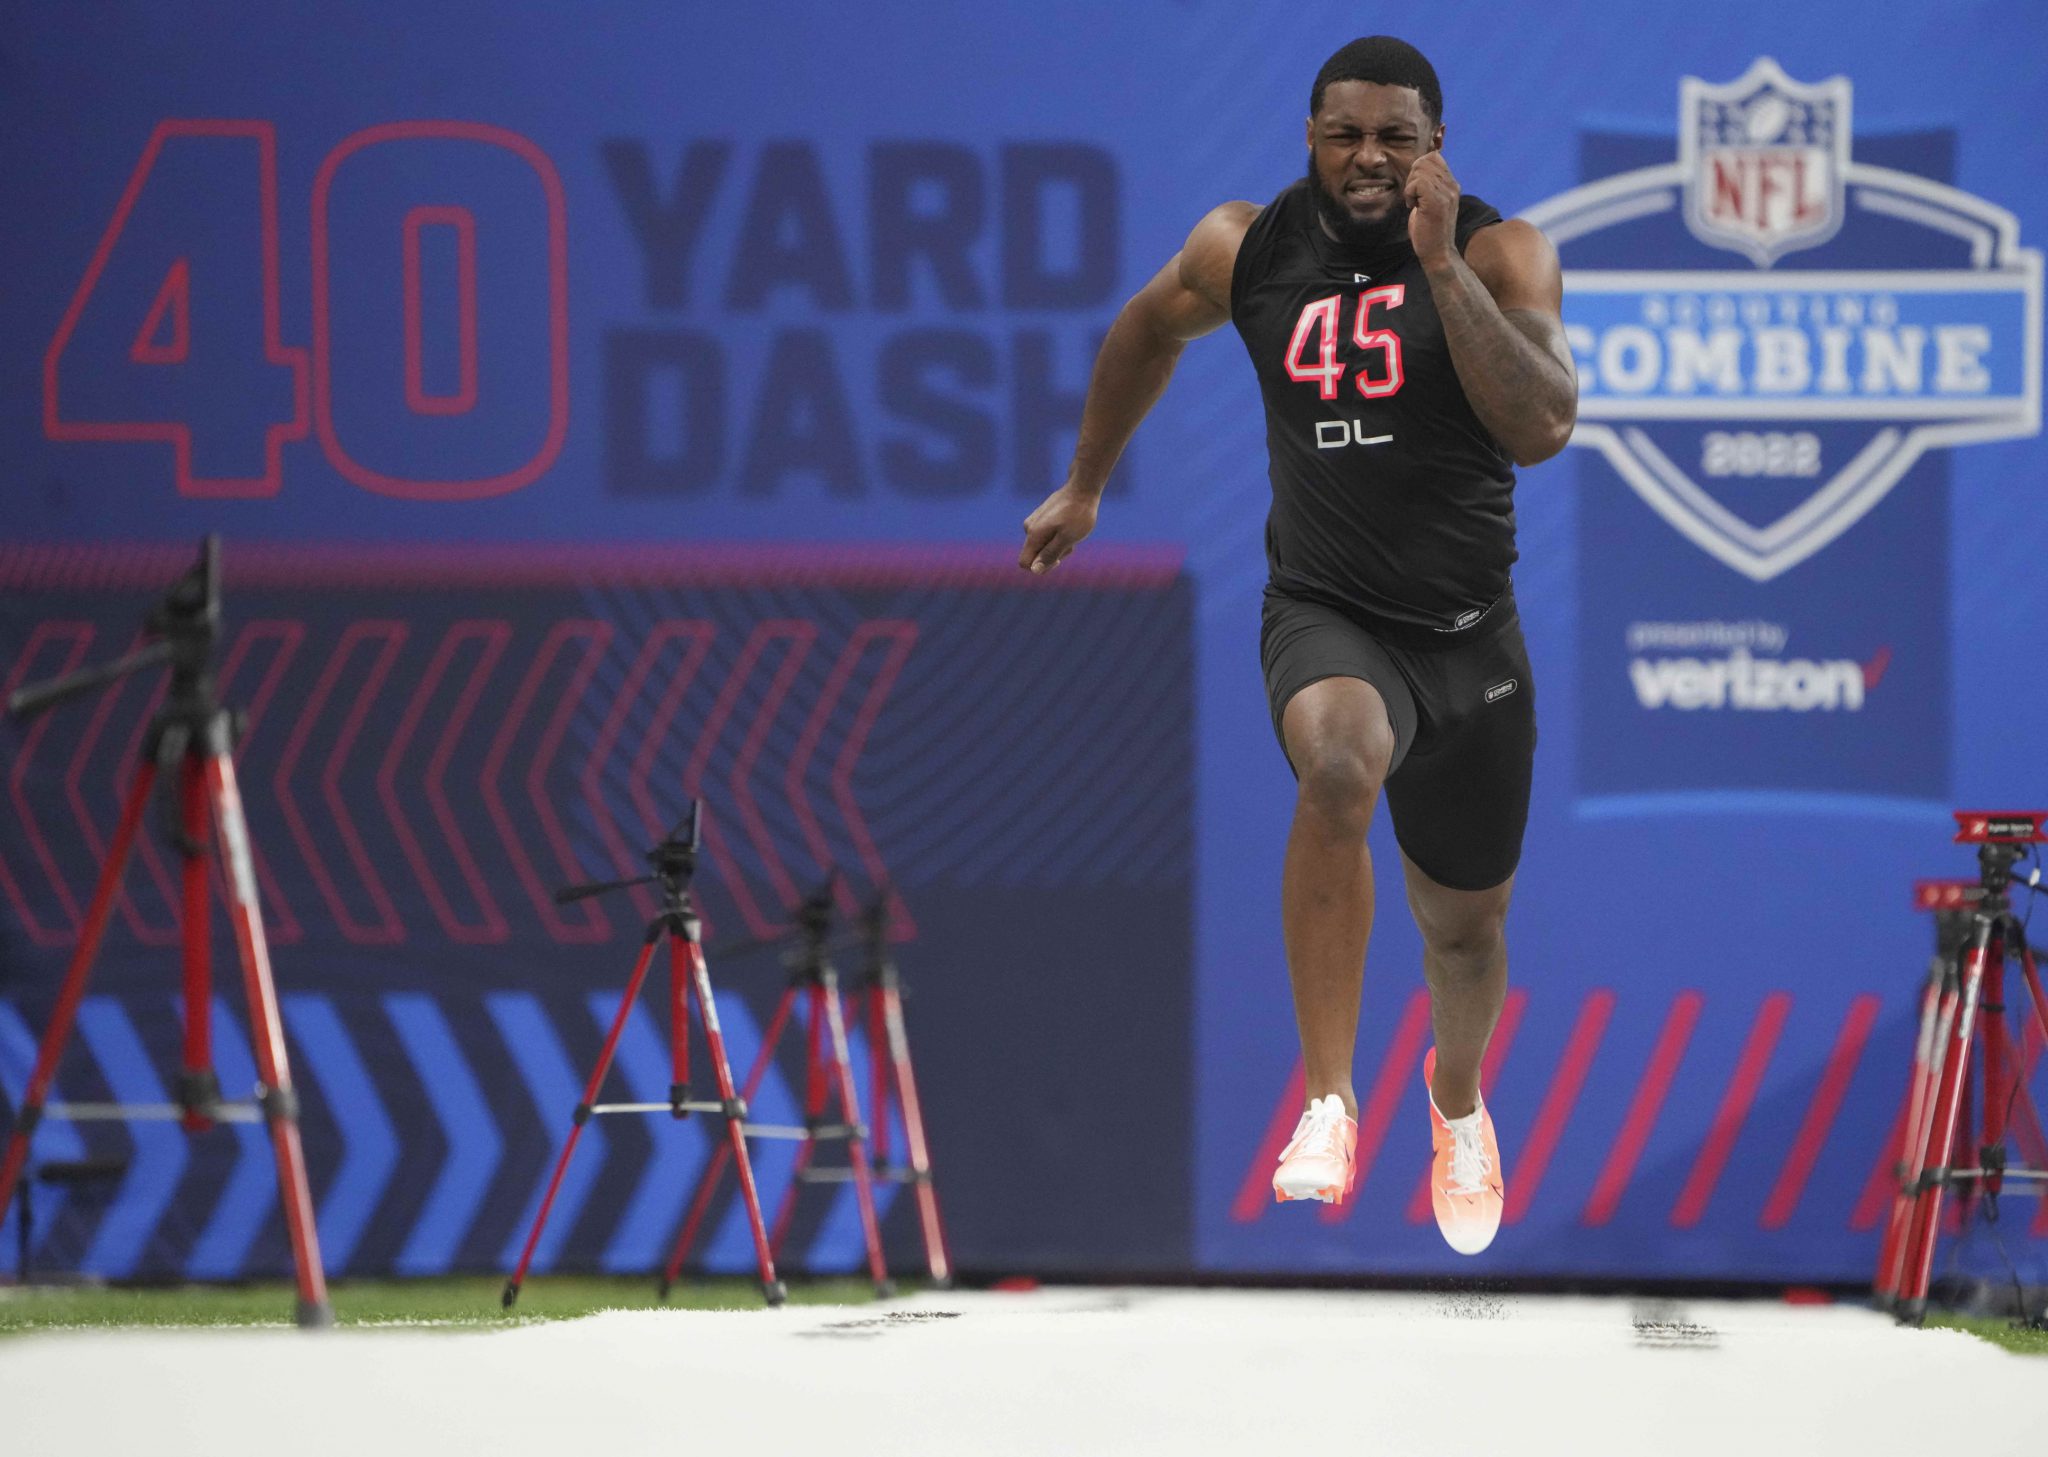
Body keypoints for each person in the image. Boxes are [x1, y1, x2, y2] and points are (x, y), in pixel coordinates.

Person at [1018, 36, 1575, 1254]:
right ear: (1309, 139)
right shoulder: (1247, 246)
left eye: (1395, 137)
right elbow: (1145, 329)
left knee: (1464, 930)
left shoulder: (1500, 251)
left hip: (1467, 636)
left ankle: (1456, 1100)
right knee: (1335, 763)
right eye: (1344, 134)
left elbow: (1540, 425)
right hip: (1326, 608)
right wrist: (1085, 482)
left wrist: (1438, 264)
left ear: (1435, 147)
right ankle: (1327, 1098)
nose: (1368, 156)